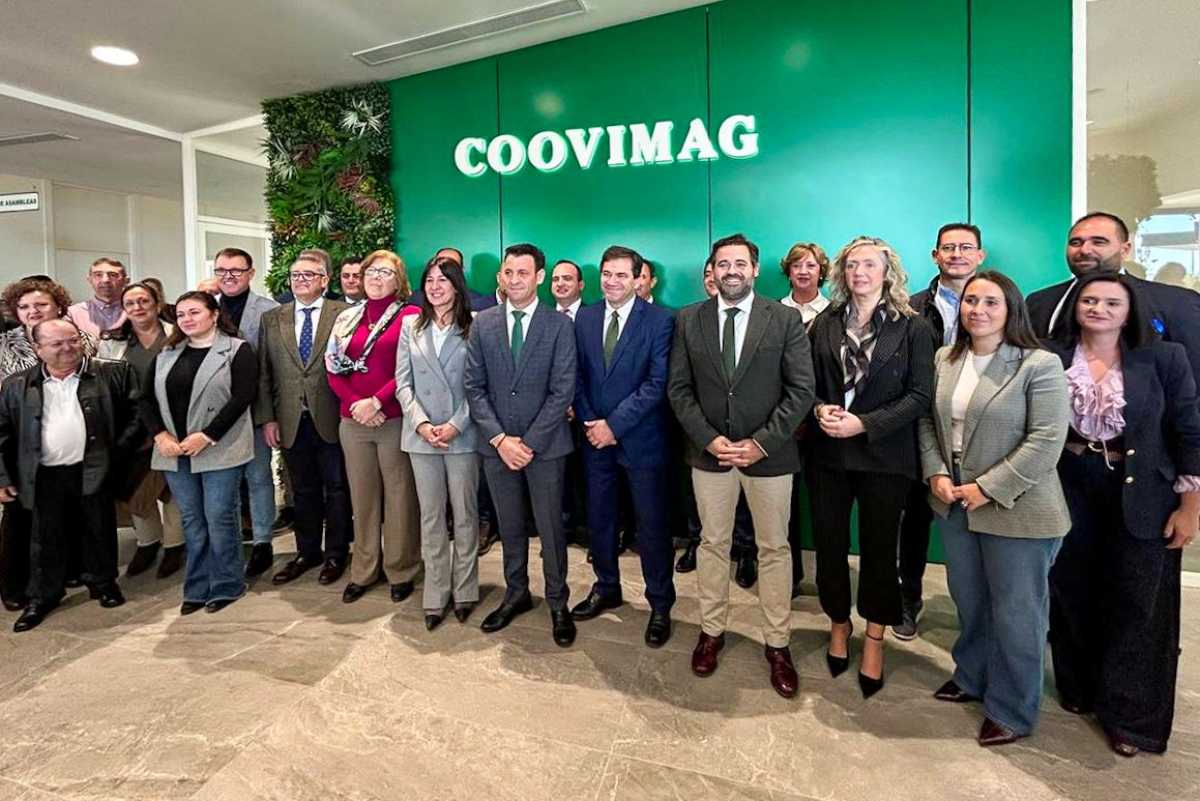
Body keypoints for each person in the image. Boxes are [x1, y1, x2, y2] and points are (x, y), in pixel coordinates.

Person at [1046, 272, 1200, 757]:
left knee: (1137, 602)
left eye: (1112, 302)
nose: (1098, 309)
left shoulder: (1163, 358)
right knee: (1071, 589)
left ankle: (1129, 717)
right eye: (1089, 300)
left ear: (1129, 310)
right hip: (1070, 482)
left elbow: (1189, 432)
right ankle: (1078, 688)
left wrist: (1190, 505)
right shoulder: (1051, 356)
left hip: (1140, 490)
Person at [918, 270, 1069, 746]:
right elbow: (928, 422)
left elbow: (1046, 440)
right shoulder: (946, 357)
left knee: (1018, 613)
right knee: (971, 600)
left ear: (1010, 310)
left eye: (990, 302)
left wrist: (987, 487)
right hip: (955, 501)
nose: (977, 310)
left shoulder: (1037, 364)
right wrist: (936, 472)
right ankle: (972, 677)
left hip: (1018, 506)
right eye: (970, 301)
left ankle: (1012, 708)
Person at [668, 233, 814, 698]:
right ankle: (711, 631)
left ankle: (777, 643)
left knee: (773, 549)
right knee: (713, 545)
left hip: (768, 458)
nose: (731, 270)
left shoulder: (784, 319)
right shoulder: (689, 319)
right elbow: (679, 390)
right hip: (709, 457)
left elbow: (801, 391)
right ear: (712, 271)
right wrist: (710, 439)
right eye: (722, 263)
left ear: (754, 269)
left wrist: (760, 443)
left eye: (740, 263)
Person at [807, 235, 934, 699]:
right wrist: (821, 410)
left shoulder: (913, 327)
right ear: (842, 274)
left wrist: (864, 423)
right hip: (828, 457)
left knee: (881, 552)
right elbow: (808, 384)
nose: (860, 272)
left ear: (888, 272)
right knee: (830, 546)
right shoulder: (824, 323)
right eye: (852, 265)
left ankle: (875, 637)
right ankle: (839, 625)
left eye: (869, 265)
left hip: (885, 457)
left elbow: (920, 396)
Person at [463, 242, 578, 646]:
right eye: (508, 273)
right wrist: (500, 439)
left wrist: (526, 442)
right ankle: (516, 594)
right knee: (510, 527)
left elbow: (563, 390)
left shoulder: (560, 325)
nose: (514, 280)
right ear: (500, 277)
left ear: (539, 277)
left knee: (550, 530)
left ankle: (557, 601)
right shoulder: (484, 323)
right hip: (496, 448)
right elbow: (473, 387)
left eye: (523, 273)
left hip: (544, 448)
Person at [0, 318, 141, 631]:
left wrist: (115, 454)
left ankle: (103, 584)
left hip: (93, 468)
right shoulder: (16, 385)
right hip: (43, 475)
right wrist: (3, 478)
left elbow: (136, 417)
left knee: (99, 529)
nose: (68, 349)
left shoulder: (112, 372)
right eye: (57, 344)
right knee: (45, 539)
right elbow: (2, 435)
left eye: (73, 340)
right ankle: (43, 596)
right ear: (38, 349)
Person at [571, 245, 676, 646]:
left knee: (651, 526)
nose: (612, 282)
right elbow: (576, 375)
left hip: (641, 441)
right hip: (594, 439)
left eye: (621, 275)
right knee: (600, 519)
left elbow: (656, 383)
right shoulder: (585, 316)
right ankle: (607, 587)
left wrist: (614, 425)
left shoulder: (660, 320)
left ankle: (661, 603)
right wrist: (591, 422)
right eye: (606, 274)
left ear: (638, 279)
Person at [895, 223, 988, 640]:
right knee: (915, 520)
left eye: (965, 247)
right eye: (947, 248)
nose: (956, 254)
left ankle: (984, 614)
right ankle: (908, 598)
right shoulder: (911, 307)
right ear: (935, 255)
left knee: (984, 523)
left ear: (980, 255)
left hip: (983, 429)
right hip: (924, 423)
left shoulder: (999, 300)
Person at [143, 292, 257, 614]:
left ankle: (227, 584)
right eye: (180, 315)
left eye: (194, 312)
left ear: (215, 314)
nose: (187, 319)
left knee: (220, 517)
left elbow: (242, 397)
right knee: (192, 521)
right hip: (174, 450)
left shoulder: (237, 349)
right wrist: (159, 435)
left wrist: (207, 436)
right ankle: (197, 586)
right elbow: (144, 399)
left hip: (219, 447)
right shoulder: (166, 352)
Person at [326, 250, 422, 603]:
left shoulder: (412, 316)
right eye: (370, 272)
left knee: (400, 497)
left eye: (386, 272)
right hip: (353, 421)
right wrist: (356, 405)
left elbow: (411, 368)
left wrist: (378, 401)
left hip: (394, 418)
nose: (376, 278)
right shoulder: (347, 317)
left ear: (399, 281)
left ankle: (401, 568)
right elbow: (333, 367)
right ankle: (364, 569)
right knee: (362, 497)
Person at [0, 277, 97, 611]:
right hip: (20, 447)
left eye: (40, 305)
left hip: (69, 444)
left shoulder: (80, 340)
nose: (32, 312)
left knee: (67, 516)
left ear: (58, 306)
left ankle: (66, 573)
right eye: (24, 307)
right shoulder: (5, 346)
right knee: (20, 520)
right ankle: (15, 585)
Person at [256, 249, 352, 587]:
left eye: (309, 275)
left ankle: (337, 553)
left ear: (325, 281)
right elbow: (265, 374)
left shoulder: (344, 314)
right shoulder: (273, 318)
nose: (300, 280)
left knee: (338, 489)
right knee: (303, 490)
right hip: (290, 419)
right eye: (296, 275)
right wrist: (268, 418)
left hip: (333, 417)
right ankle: (307, 552)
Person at [396, 257, 481, 630]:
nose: (434, 286)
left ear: (456, 285)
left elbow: (480, 385)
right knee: (430, 518)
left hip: (461, 435)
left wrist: (454, 425)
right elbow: (402, 383)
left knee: (464, 516)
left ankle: (465, 591)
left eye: (442, 280)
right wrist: (423, 423)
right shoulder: (410, 326)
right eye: (429, 280)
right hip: (421, 436)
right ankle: (435, 594)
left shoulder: (476, 326)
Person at [1026, 212, 1200, 385]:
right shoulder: (1039, 302)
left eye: (1099, 242)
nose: (1084, 250)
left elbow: (1194, 378)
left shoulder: (1177, 302)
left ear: (1125, 250)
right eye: (1075, 242)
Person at [675, 259, 759, 583]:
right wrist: (703, 433)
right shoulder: (689, 319)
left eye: (720, 272)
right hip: (699, 431)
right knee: (700, 501)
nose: (716, 278)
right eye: (709, 274)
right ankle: (697, 543)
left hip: (747, 433)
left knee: (744, 505)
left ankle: (745, 551)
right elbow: (679, 381)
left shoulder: (759, 318)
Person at [198, 247, 279, 576]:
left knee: (258, 477)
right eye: (222, 271)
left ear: (251, 273)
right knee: (221, 482)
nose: (228, 276)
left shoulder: (270, 311)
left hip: (255, 408)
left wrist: (271, 414)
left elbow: (273, 368)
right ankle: (226, 544)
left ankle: (263, 542)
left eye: (236, 270)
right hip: (214, 413)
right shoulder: (202, 308)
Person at [98, 282, 184, 579]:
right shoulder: (112, 342)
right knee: (133, 486)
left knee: (173, 487)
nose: (137, 307)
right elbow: (106, 386)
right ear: (124, 308)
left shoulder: (177, 334)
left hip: (173, 422)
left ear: (156, 303)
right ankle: (148, 542)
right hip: (131, 428)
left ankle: (175, 545)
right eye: (130, 303)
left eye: (143, 300)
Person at [408, 247, 499, 312]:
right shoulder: (417, 298)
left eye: (452, 266)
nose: (444, 268)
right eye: (440, 262)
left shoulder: (475, 300)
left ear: (460, 271)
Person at [67, 257, 128, 337]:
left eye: (113, 275)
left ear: (125, 281)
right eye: (98, 275)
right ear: (89, 280)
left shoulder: (137, 311)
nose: (105, 280)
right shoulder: (73, 313)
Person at [778, 242, 831, 325]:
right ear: (789, 272)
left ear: (821, 272)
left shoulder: (835, 313)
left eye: (810, 266)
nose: (803, 271)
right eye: (796, 265)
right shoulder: (774, 311)